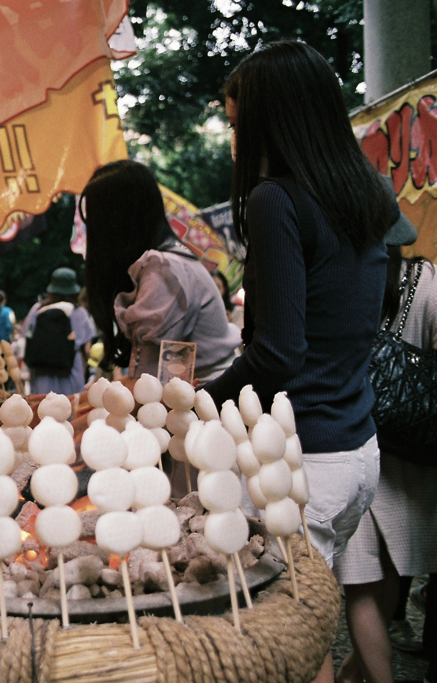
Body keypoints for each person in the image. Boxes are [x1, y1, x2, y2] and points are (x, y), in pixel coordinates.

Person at [200, 41, 400, 682]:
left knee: (293, 641)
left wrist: (205, 401)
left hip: (304, 461)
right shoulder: (366, 191)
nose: (234, 142)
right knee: (315, 621)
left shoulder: (275, 199)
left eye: (237, 125)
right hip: (359, 450)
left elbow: (280, 352)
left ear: (269, 120)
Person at [332, 220, 437, 683]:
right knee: (389, 575)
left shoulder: (341, 284)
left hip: (359, 443)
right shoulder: (428, 282)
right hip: (417, 455)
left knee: (363, 583)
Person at [83, 160, 241, 384]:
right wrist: (75, 403)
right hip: (202, 399)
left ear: (115, 220)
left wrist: (67, 411)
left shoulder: (164, 272)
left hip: (210, 404)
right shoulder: (169, 263)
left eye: (96, 219)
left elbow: (147, 386)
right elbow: (167, 378)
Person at [23, 268, 95, 395]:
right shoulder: (79, 312)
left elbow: (27, 335)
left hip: (42, 373)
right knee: (69, 410)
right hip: (71, 372)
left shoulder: (37, 309)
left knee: (44, 409)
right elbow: (87, 349)